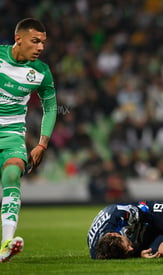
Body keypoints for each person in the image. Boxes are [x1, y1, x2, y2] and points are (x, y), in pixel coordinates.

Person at [0, 18, 57, 263]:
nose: (40, 47)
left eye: (43, 43)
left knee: (12, 175)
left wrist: (42, 143)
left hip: (12, 134)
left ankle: (6, 243)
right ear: (18, 39)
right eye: (35, 41)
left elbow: (52, 107)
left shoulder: (40, 72)